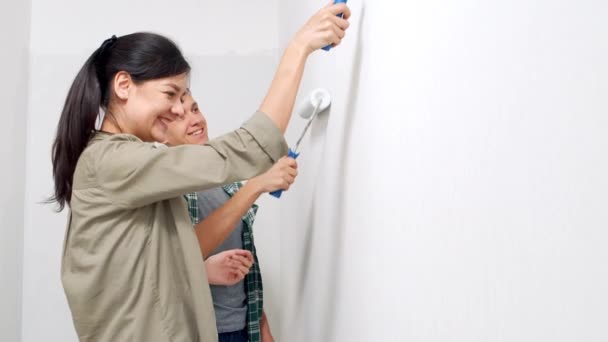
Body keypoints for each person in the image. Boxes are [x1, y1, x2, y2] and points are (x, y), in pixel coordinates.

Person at [50, 3, 351, 341]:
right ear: (123, 85)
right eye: (170, 94)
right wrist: (299, 48)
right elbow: (242, 150)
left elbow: (169, 258)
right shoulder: (110, 161)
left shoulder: (121, 161)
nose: (179, 110)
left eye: (186, 99)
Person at [164, 93, 285, 342]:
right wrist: (203, 271)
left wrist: (261, 326)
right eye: (179, 117)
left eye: (195, 109)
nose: (194, 120)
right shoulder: (166, 194)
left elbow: (244, 268)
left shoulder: (225, 186)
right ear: (159, 133)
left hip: (242, 330)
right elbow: (152, 270)